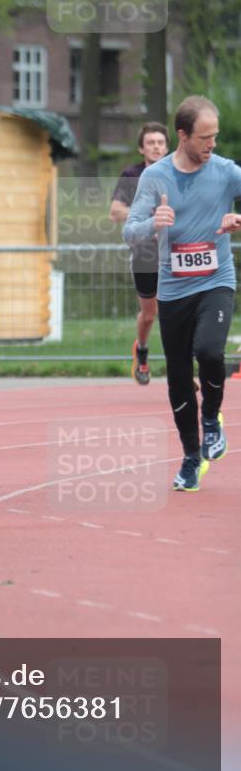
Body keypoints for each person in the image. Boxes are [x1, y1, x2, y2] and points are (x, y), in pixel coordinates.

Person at [124, 95, 241, 492]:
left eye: (215, 137)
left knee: (209, 351)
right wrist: (152, 224)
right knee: (177, 378)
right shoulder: (155, 176)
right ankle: (191, 457)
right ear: (183, 135)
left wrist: (237, 218)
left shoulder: (226, 172)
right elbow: (129, 230)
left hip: (216, 281)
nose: (211, 144)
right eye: (204, 137)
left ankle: (211, 420)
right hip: (173, 289)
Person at [110, 122, 169, 384]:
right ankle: (142, 349)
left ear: (167, 147)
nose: (156, 146)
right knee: (149, 313)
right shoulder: (132, 175)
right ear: (141, 148)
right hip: (145, 253)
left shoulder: (177, 173)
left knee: (177, 309)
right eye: (151, 143)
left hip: (174, 252)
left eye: (160, 142)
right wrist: (149, 218)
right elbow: (115, 212)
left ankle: (180, 364)